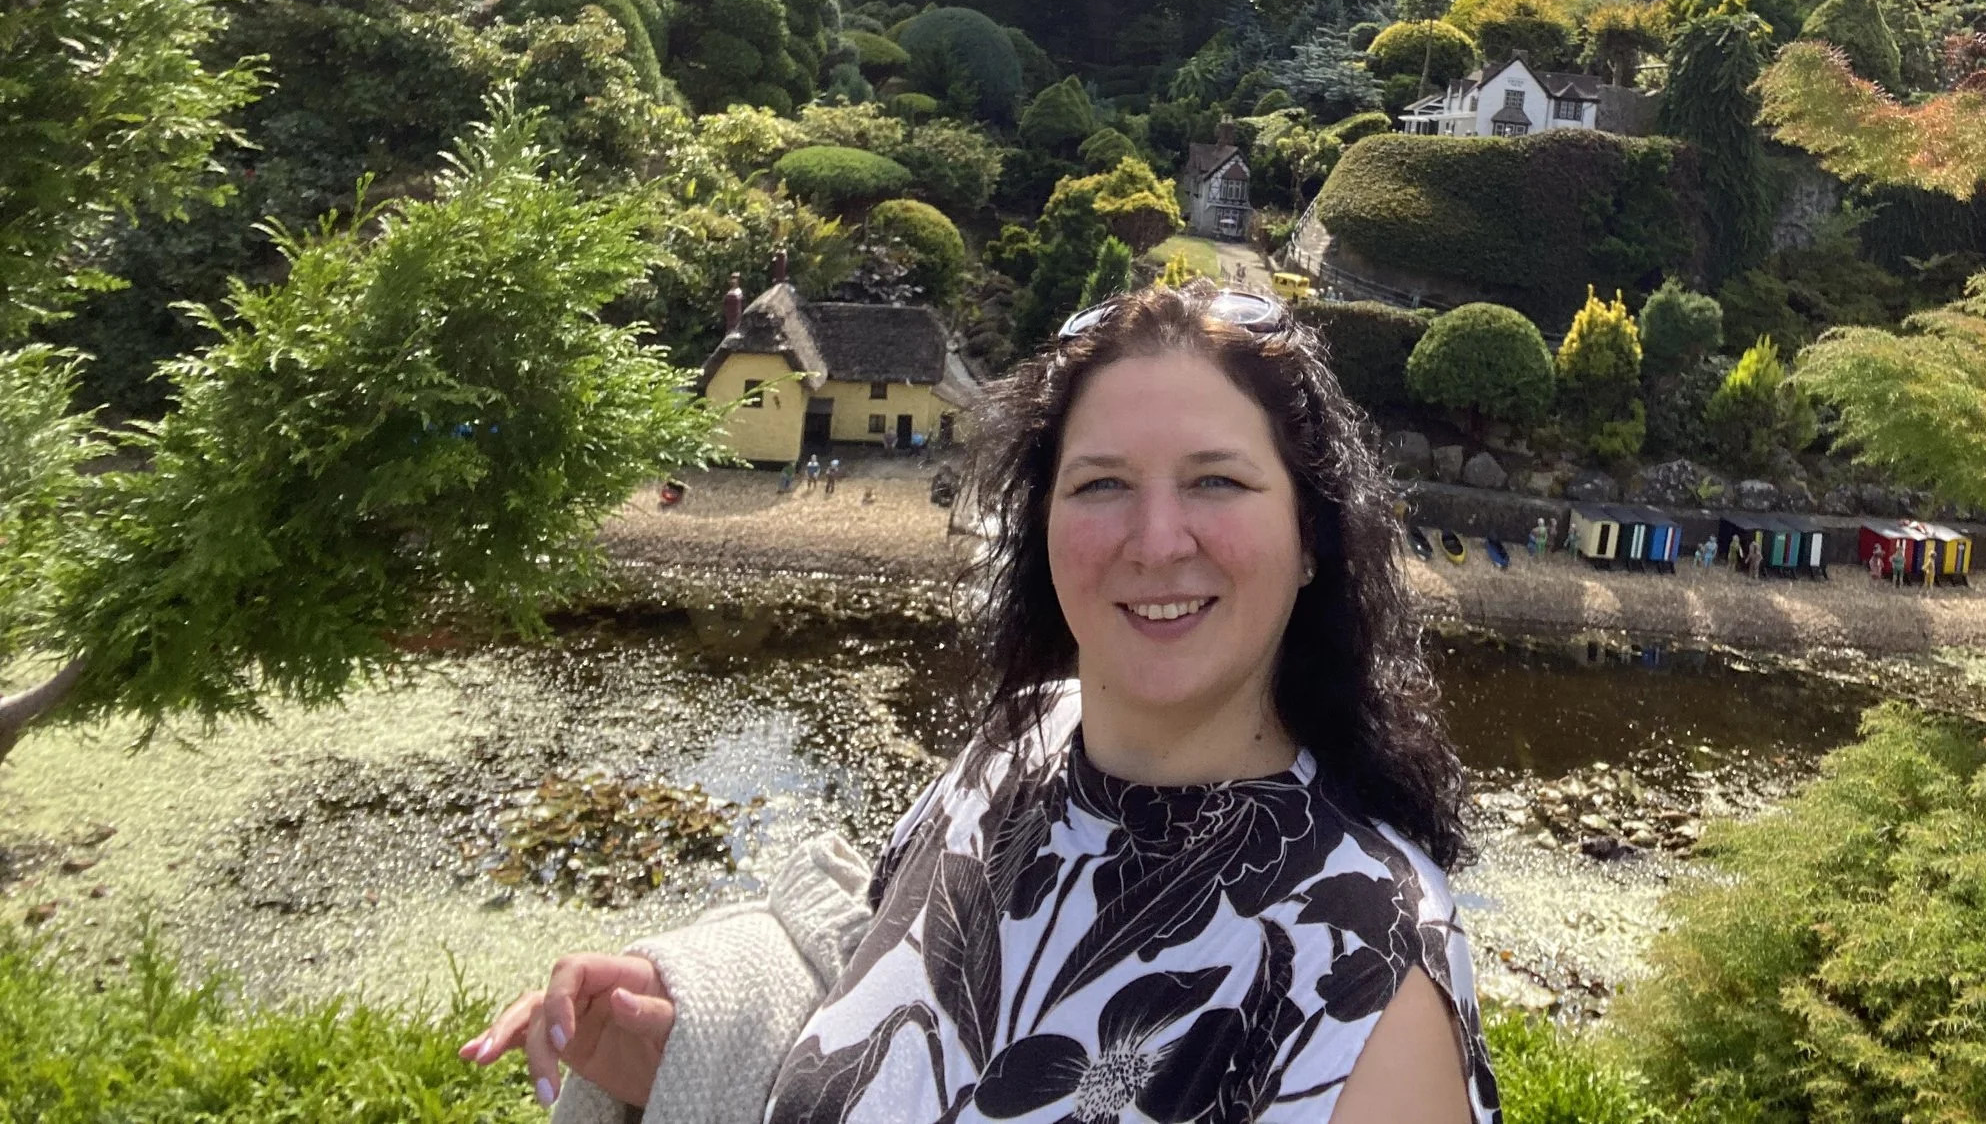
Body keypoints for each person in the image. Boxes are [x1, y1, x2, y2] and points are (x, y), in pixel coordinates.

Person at [467, 284, 1496, 1124]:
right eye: (1098, 485)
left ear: (1312, 536)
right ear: (1040, 532)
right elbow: (903, 1043)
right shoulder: (1012, 751)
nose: (1154, 538)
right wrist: (687, 1055)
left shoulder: (1366, 974)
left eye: (1216, 482)